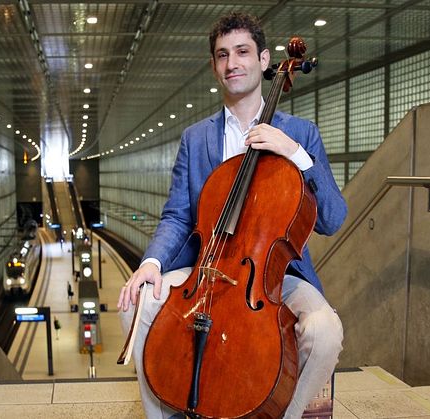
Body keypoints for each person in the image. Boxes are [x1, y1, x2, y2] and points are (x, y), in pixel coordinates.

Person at [117, 11, 347, 419]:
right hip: (204, 268)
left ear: (263, 60)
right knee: (135, 305)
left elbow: (332, 218)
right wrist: (151, 263)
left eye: (242, 52)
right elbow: (177, 214)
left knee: (325, 333)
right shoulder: (196, 138)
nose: (232, 63)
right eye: (222, 55)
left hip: (272, 277)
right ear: (214, 67)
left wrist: (294, 153)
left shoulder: (301, 133)